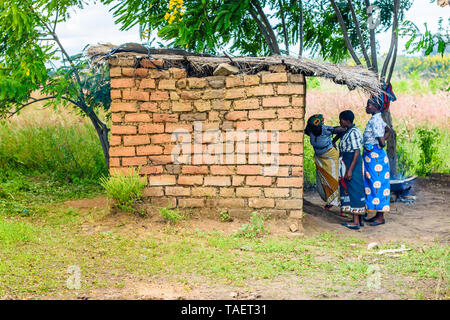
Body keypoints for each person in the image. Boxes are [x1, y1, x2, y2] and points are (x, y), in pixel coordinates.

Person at [305, 114, 345, 210]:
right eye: (312, 127)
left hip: (330, 156)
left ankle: (342, 205)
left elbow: (342, 129)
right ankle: (331, 200)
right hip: (319, 158)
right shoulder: (310, 130)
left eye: (315, 128)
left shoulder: (325, 129)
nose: (313, 130)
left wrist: (333, 141)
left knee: (334, 180)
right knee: (323, 180)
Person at [362, 97, 391, 226]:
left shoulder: (376, 121)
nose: (367, 107)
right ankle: (376, 215)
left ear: (376, 107)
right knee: (373, 184)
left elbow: (382, 142)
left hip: (376, 157)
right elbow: (388, 130)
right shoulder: (376, 119)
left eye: (369, 105)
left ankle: (380, 217)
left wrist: (379, 143)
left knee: (377, 185)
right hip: (372, 157)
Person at [337, 110, 366, 230]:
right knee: (350, 188)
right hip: (347, 161)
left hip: (352, 162)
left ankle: (356, 222)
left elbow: (356, 151)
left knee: (355, 188)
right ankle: (358, 218)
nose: (340, 122)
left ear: (347, 120)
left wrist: (350, 170)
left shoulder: (354, 132)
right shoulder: (347, 131)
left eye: (341, 120)